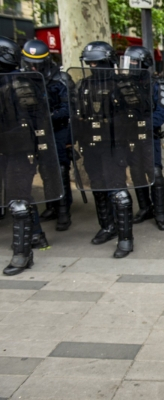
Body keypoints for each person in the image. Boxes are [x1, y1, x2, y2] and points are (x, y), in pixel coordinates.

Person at [71, 41, 135, 258]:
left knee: (118, 191)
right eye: (90, 63)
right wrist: (72, 143)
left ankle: (126, 238)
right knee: (98, 187)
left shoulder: (122, 85)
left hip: (114, 146)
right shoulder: (82, 86)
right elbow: (76, 117)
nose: (93, 67)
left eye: (97, 63)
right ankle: (107, 226)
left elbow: (137, 116)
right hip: (91, 146)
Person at [1, 36, 58, 275]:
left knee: (18, 199)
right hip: (6, 150)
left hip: (20, 151)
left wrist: (40, 152)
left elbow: (37, 121)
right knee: (18, 196)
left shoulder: (20, 84)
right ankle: (36, 235)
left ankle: (23, 253)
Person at [21, 39, 73, 232]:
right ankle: (52, 205)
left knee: (59, 170)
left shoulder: (60, 79)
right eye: (30, 63)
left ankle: (63, 211)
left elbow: (69, 107)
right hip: (34, 131)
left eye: (37, 63)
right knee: (44, 170)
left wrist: (47, 117)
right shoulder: (24, 78)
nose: (33, 67)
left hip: (58, 129)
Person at [124, 45, 164, 231]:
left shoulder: (156, 84)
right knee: (136, 173)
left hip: (149, 137)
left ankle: (160, 212)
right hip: (130, 138)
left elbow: (163, 112)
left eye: (133, 62)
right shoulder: (124, 84)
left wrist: (140, 124)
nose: (129, 66)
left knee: (155, 174)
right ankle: (145, 208)